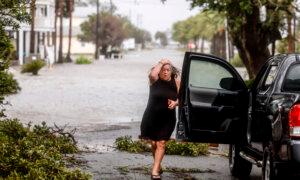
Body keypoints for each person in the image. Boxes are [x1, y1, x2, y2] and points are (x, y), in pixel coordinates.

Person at [140, 59, 180, 179]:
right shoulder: (154, 81)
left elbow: (183, 98)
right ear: (159, 71)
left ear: (171, 71)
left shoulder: (177, 82)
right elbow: (152, 74)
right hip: (151, 117)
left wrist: (176, 103)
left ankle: (154, 171)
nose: (165, 72)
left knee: (161, 143)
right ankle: (158, 166)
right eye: (163, 70)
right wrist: (162, 62)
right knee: (153, 143)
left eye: (168, 70)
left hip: (168, 119)